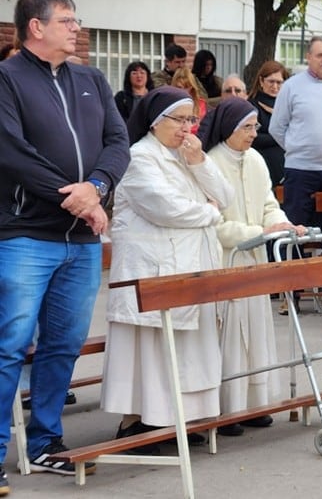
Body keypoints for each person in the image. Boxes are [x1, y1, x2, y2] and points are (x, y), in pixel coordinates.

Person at [0, 0, 129, 490]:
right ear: (36, 26)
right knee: (10, 345)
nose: (77, 29)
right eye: (68, 21)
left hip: (81, 241)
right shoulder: (6, 79)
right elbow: (11, 151)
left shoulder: (91, 78)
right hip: (26, 236)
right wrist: (71, 197)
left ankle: (47, 442)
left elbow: (118, 143)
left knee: (63, 346)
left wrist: (96, 189)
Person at [102, 87, 232, 451]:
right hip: (152, 269)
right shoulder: (139, 157)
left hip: (191, 268)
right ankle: (139, 423)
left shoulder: (186, 155)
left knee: (187, 351)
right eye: (180, 120)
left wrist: (200, 164)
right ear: (157, 122)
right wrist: (210, 213)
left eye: (192, 119)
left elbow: (226, 196)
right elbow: (165, 207)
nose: (188, 128)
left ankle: (180, 419)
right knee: (152, 351)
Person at [201, 99, 303, 436]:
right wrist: (259, 233)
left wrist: (284, 225)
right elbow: (214, 225)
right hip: (226, 261)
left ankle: (253, 404)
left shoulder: (257, 160)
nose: (253, 133)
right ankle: (227, 407)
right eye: (247, 127)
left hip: (254, 260)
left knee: (256, 332)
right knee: (229, 336)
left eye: (256, 126)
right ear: (229, 128)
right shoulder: (210, 163)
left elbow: (268, 205)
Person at [269, 36, 322, 312]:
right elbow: (276, 128)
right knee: (295, 230)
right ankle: (291, 293)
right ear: (308, 57)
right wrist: (298, 149)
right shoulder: (292, 86)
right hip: (300, 170)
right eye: (320, 55)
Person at [248, 60, 289, 188]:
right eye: (271, 81)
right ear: (261, 81)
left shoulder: (288, 106)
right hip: (261, 165)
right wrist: (281, 136)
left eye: (279, 82)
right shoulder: (251, 106)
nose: (275, 86)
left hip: (286, 168)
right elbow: (253, 137)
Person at [171, 66, 208, 133]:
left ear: (191, 87)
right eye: (179, 87)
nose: (183, 91)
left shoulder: (200, 104)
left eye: (186, 87)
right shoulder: (169, 104)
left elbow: (203, 129)